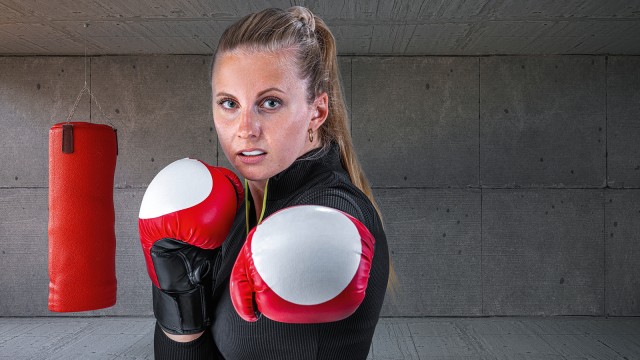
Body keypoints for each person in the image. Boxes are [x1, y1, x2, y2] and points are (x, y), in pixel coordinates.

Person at [141, 6, 389, 359]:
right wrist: (180, 313)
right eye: (229, 103)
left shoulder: (335, 207)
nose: (245, 129)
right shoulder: (233, 210)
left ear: (317, 113)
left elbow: (338, 220)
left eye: (270, 102)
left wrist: (319, 244)